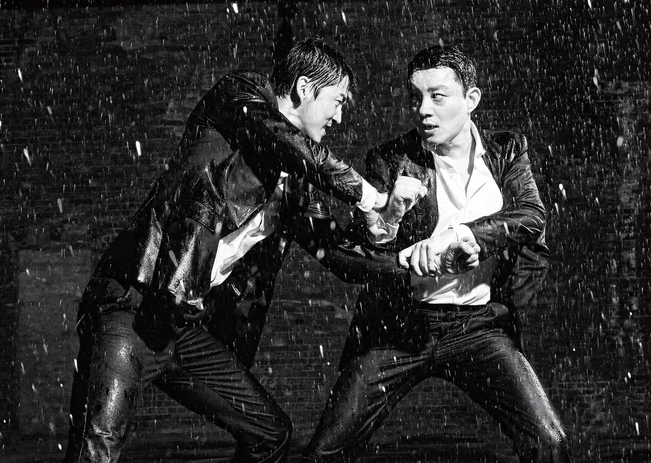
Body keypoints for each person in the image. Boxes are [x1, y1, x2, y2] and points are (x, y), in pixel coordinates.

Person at [63, 38, 425, 463]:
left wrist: (407, 254)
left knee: (269, 435)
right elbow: (291, 145)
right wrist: (369, 195)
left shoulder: (295, 186)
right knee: (96, 453)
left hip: (180, 324)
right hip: (132, 302)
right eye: (338, 101)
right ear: (305, 88)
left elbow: (339, 255)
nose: (340, 117)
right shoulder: (238, 97)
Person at [301, 45, 573, 462]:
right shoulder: (391, 159)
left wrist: (461, 236)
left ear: (471, 99)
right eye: (416, 97)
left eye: (437, 96)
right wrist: (391, 217)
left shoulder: (506, 151)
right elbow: (363, 252)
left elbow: (530, 216)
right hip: (398, 327)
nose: (423, 110)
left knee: (548, 442)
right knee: (326, 451)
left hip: (478, 327)